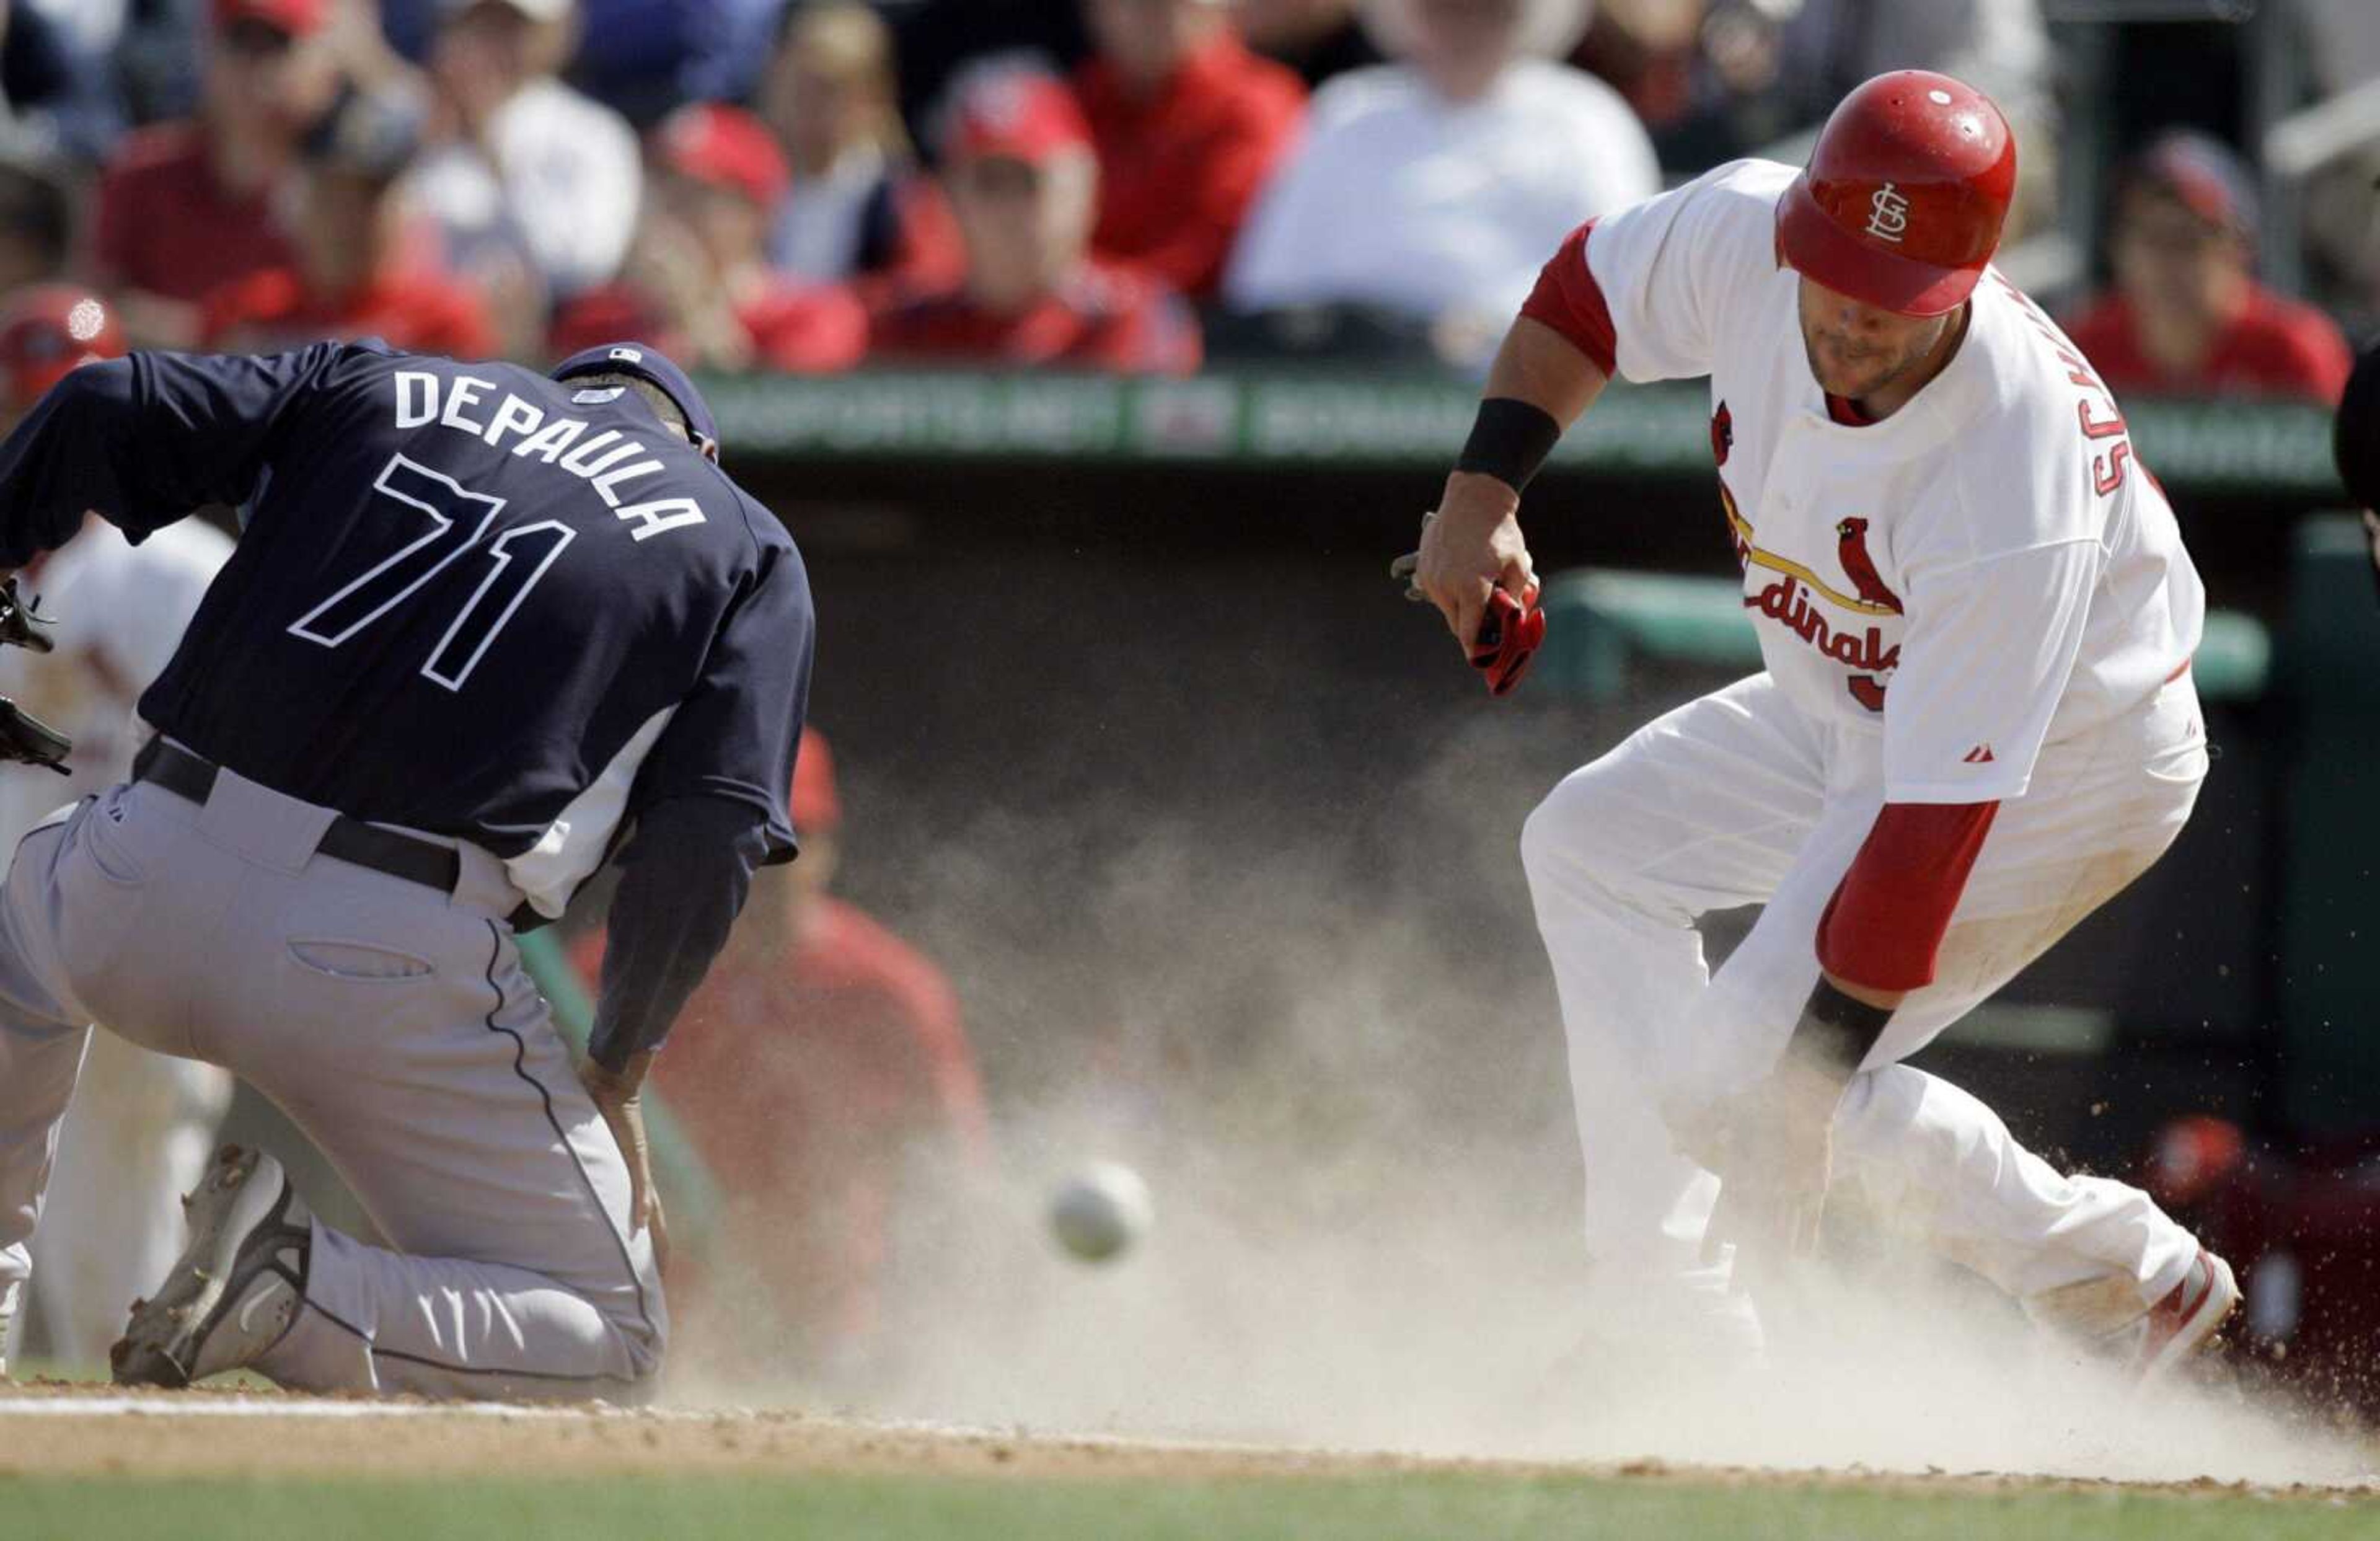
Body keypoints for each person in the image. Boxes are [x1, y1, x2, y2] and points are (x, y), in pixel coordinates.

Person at [1409, 71, 2237, 1375]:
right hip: (1857, 702)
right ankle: (1662, 1313)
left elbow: (1929, 831)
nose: (1850, 318)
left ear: (1964, 287)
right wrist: (1480, 495)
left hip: (2071, 759)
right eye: (1835, 270)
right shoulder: (1745, 232)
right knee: (1591, 847)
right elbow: (1583, 296)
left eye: (1890, 300)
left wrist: (1804, 1093)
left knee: (1759, 1084)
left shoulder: (2009, 467)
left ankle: (2123, 1278)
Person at [0, 336, 813, 1397]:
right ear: (698, 447)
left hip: (136, 859)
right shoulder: (745, 540)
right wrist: (617, 1067)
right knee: (612, 1339)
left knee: (19, 931)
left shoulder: (380, 378)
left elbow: (108, 393)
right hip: (390, 947)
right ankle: (298, 1289)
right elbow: (713, 834)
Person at [571, 729, 991, 1379]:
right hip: (645, 1321)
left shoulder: (892, 993)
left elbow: (956, 1176)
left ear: (827, 849)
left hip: (833, 1337)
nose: (762, 867)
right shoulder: (611, 973)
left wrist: (929, 1333)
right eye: (740, 840)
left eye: (784, 844)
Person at [0, 288, 237, 1374]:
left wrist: (126, 685)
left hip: (156, 910)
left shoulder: (180, 563)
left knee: (140, 1175)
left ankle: (159, 1407)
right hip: (28, 919)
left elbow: (256, 734)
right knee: (53, 1218)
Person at [1222, 0, 1657, 355]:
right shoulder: (1346, 112)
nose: (1464, 24)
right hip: (1348, 385)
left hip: (1530, 394)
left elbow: (1623, 282)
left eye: (1486, 10)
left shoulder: (1586, 119)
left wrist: (1487, 330)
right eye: (1445, 7)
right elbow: (1267, 285)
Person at [865, 67, 1201, 374]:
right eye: (989, 183)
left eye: (1030, 182)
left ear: (1085, 188)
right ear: (951, 198)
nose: (1009, 209)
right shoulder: (906, 323)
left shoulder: (1129, 314)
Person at [90, 0, 335, 347]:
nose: (255, 69)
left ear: (323, 66)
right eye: (240, 44)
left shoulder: (351, 189)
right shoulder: (141, 171)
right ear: (206, 55)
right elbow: (95, 311)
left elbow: (381, 315)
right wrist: (214, 334)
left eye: (277, 47)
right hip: (160, 392)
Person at [554, 103, 865, 373]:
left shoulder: (818, 316)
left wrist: (694, 316)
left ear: (756, 214)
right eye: (663, 186)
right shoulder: (596, 319)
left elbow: (778, 424)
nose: (672, 207)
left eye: (696, 193)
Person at [201, 82, 498, 358]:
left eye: (369, 200)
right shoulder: (247, 313)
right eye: (334, 198)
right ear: (299, 203)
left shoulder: (443, 322)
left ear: (402, 207)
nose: (350, 220)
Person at [2063, 131, 2353, 405]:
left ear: (2241, 249)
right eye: (2149, 237)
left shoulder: (2296, 351)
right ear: (2117, 249)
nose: (2165, 262)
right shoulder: (2079, 353)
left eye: (2188, 239)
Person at [409, 0, 642, 304]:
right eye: (481, 25)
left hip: (543, 342)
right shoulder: (416, 120)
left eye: (511, 28)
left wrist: (488, 147)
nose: (491, 44)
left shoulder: (593, 135)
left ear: (555, 36)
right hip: (417, 333)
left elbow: (581, 265)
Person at [1075, 0, 1306, 301]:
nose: (1149, 16)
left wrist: (1105, 296)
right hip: (1074, 325)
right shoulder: (1078, 99)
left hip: (1205, 331)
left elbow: (1212, 251)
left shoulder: (1258, 103)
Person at [755, 3, 958, 288]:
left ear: (870, 100)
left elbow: (921, 295)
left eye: (826, 89)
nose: (805, 103)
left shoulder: (902, 204)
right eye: (796, 83)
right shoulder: (746, 189)